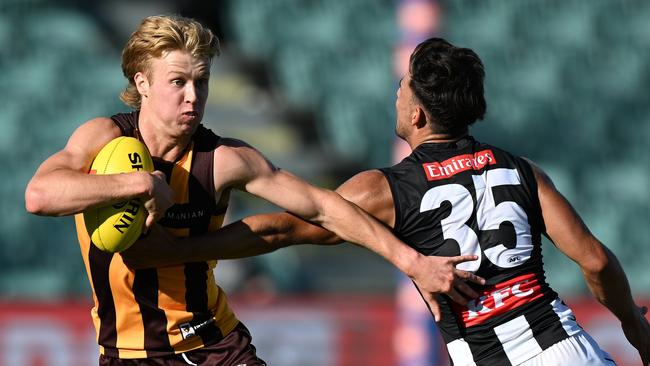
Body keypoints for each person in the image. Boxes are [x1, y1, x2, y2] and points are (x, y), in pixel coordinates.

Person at [122, 37, 650, 365]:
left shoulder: (385, 189)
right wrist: (637, 330)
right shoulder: (521, 169)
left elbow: (284, 229)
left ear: (417, 114)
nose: (395, 95)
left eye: (402, 88)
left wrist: (176, 251)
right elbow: (596, 260)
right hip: (572, 347)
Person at [23, 16, 484, 365]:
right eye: (177, 82)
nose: (193, 96)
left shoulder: (225, 160)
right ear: (142, 84)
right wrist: (141, 182)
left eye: (201, 82)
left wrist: (413, 263)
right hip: (123, 353)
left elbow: (323, 208)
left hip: (213, 345)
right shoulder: (100, 138)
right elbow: (39, 196)